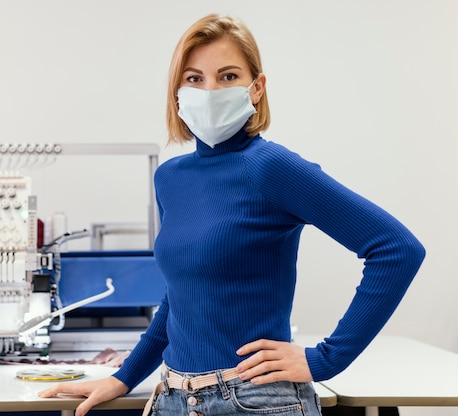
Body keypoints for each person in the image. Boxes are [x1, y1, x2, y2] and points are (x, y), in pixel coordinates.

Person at [39, 13, 425, 416]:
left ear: (256, 88)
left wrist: (326, 358)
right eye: (194, 78)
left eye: (227, 77)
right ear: (177, 93)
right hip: (171, 396)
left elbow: (397, 249)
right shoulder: (170, 177)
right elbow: (179, 298)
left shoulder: (269, 167)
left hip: (253, 400)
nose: (209, 91)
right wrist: (124, 377)